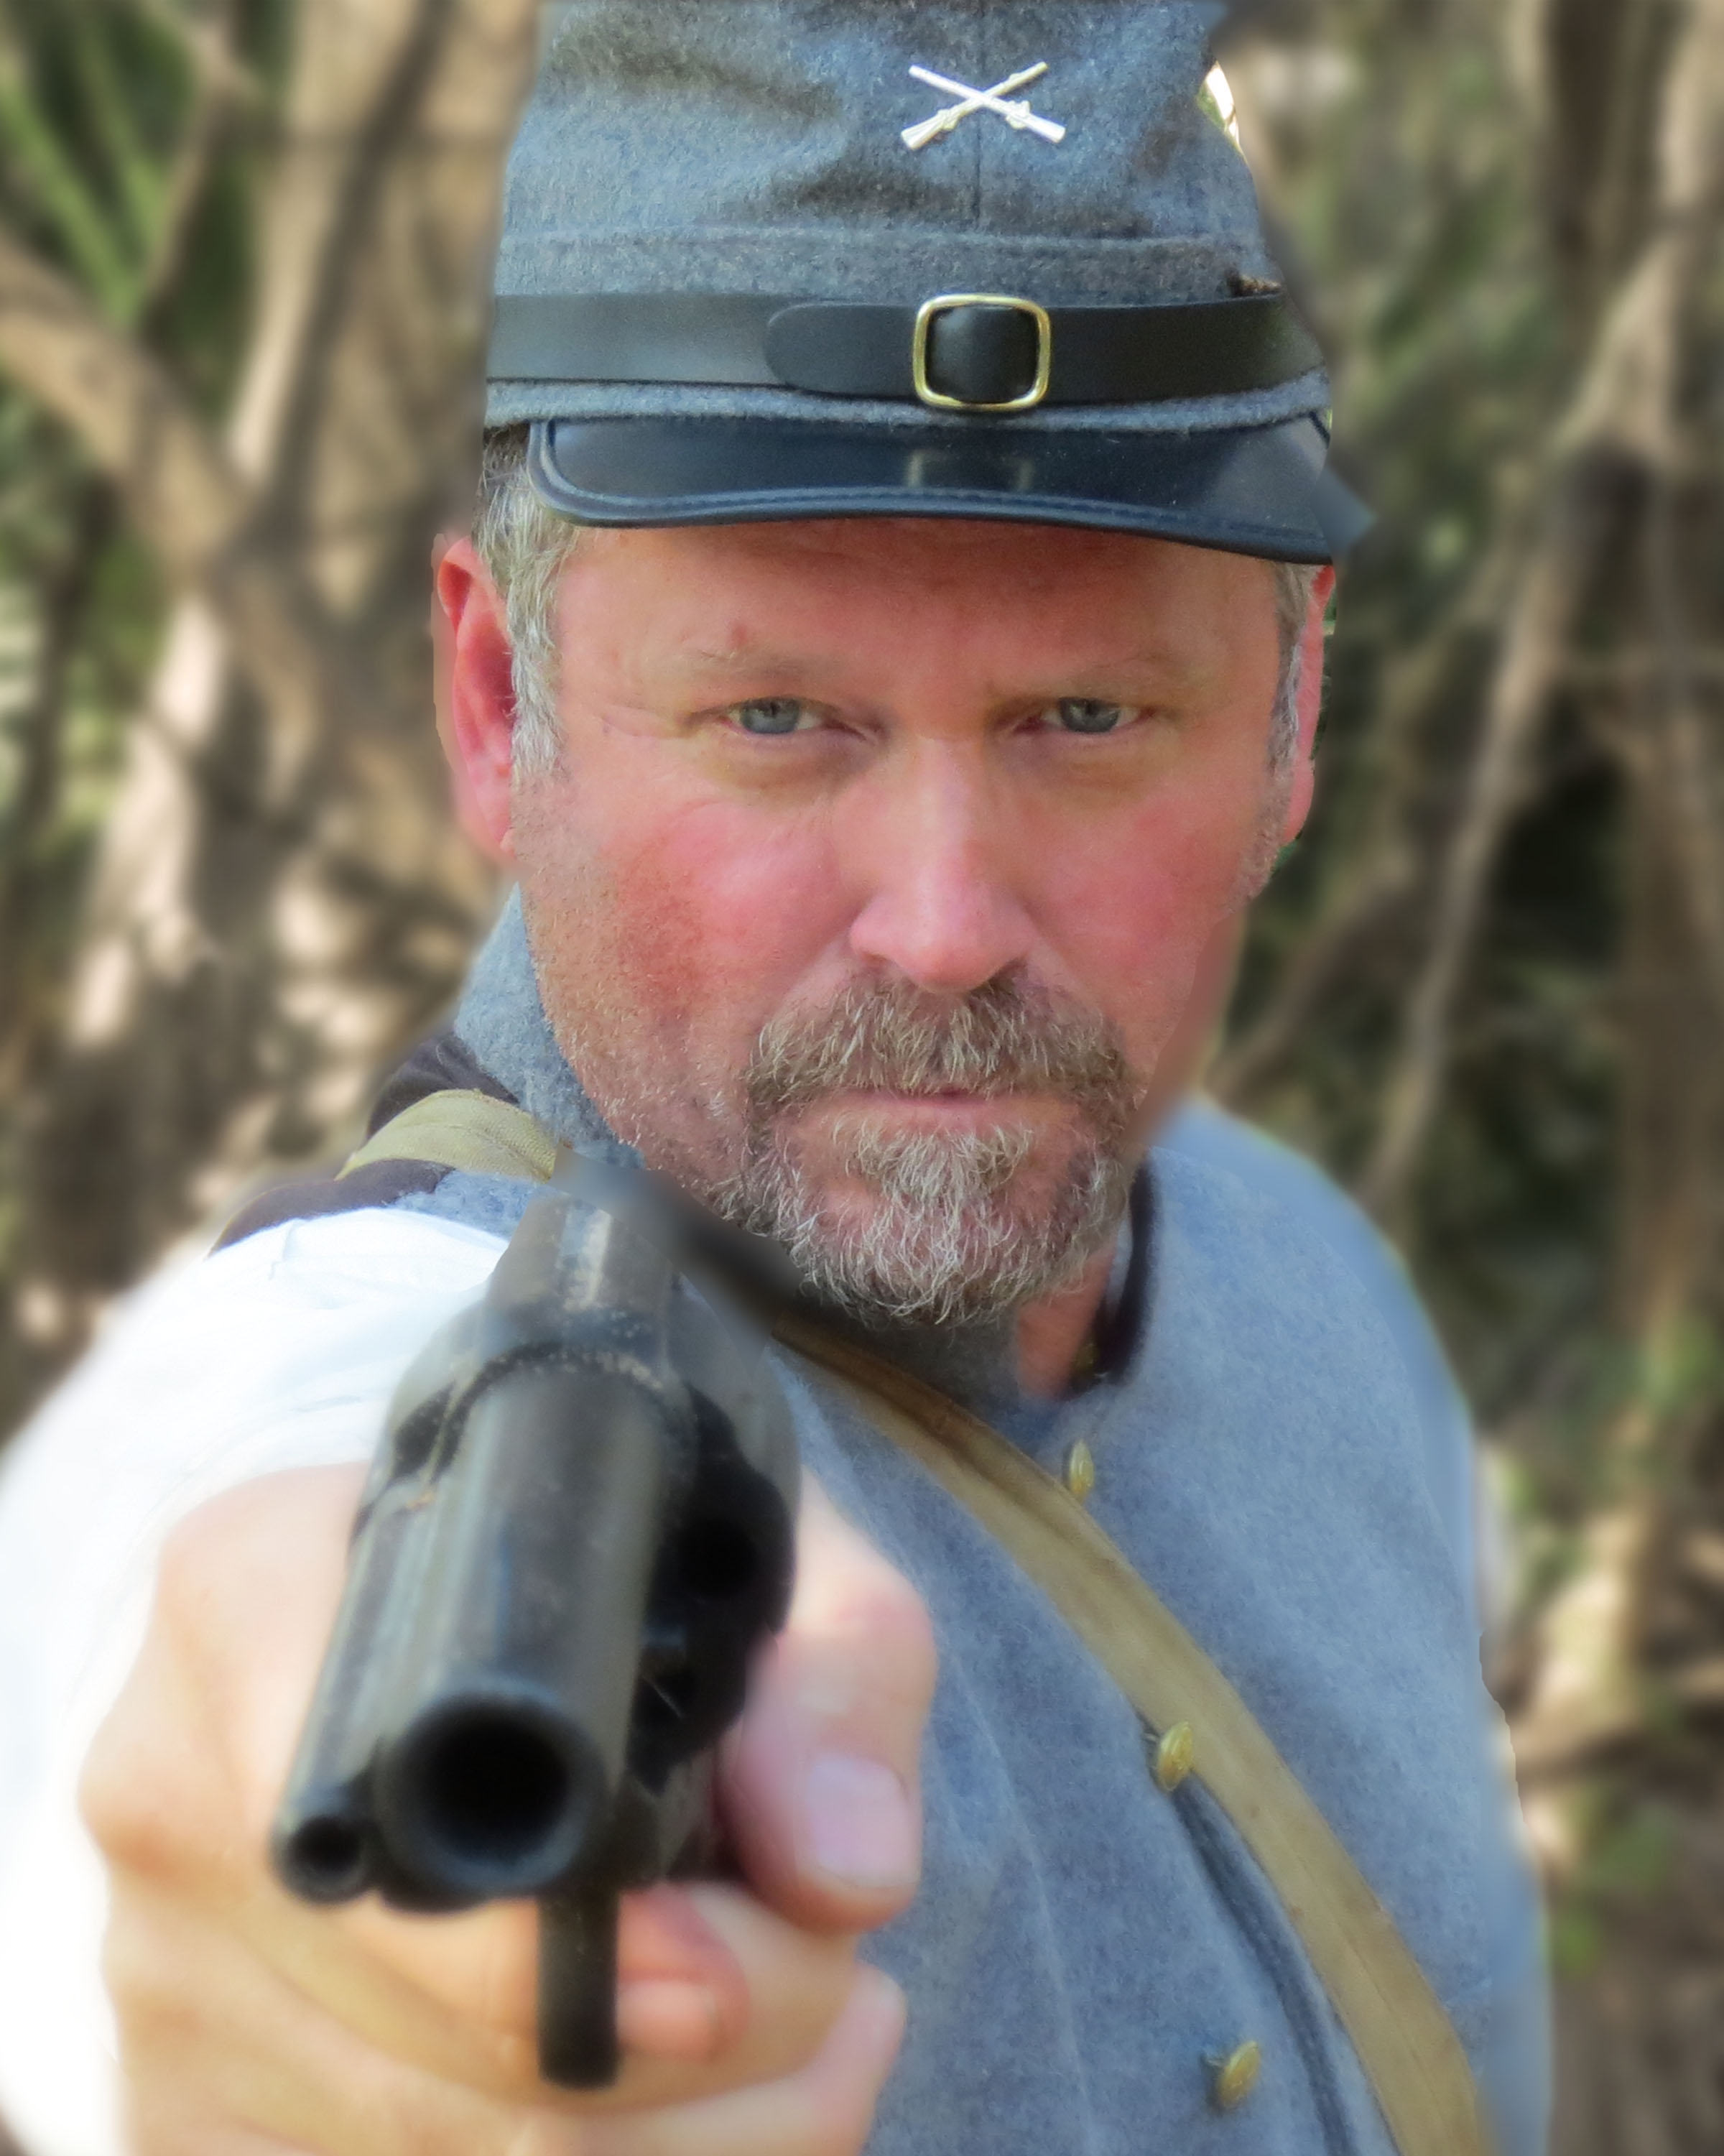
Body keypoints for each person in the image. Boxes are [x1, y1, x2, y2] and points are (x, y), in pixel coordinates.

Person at [0, 6, 1549, 2153]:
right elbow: (204, 1642)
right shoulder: (294, 1377)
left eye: (1088, 718)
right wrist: (347, 1973)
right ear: (491, 698)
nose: (943, 919)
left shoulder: (1323, 1301)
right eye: (776, 717)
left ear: (1293, 724)